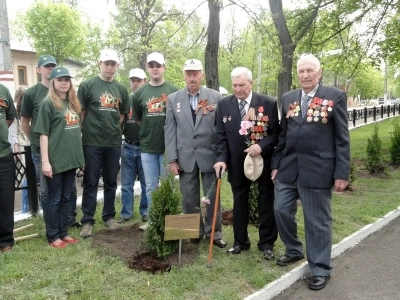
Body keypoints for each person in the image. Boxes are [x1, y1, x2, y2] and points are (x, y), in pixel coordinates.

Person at [271, 54, 350, 291]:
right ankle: (294, 249)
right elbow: (283, 135)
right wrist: (276, 163)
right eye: (301, 71)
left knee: (317, 221)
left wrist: (342, 173)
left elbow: (342, 138)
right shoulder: (288, 98)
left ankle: (320, 268)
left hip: (318, 170)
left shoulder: (335, 96)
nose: (305, 75)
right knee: (281, 210)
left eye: (309, 71)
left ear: (319, 72)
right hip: (289, 167)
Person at [214, 67, 279, 259]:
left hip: (263, 161)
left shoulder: (268, 103)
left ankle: (267, 243)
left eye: (242, 85)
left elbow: (276, 133)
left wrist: (262, 146)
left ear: (251, 83)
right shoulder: (224, 104)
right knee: (239, 202)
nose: (238, 89)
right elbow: (220, 136)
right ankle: (240, 242)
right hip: (236, 162)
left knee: (266, 201)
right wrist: (220, 159)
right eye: (234, 85)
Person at [165, 59, 225, 247]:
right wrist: (172, 159)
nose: (192, 77)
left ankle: (214, 234)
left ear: (202, 75)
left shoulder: (216, 97)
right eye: (188, 74)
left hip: (210, 156)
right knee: (189, 197)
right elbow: (170, 130)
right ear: (184, 75)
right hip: (185, 157)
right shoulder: (173, 99)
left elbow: (222, 130)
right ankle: (193, 232)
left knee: (213, 197)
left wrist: (222, 157)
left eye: (195, 73)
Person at [78, 49, 129, 238]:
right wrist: (86, 132)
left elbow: (122, 114)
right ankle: (87, 221)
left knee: (110, 181)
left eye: (113, 64)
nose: (110, 67)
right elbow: (81, 112)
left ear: (117, 66)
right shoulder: (87, 85)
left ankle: (108, 216)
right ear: (100, 63)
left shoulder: (121, 89)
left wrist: (112, 129)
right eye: (106, 63)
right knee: (90, 181)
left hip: (113, 142)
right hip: (91, 142)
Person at [35, 66, 84, 248]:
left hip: (70, 160)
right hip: (55, 161)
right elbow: (43, 134)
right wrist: (46, 162)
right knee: (54, 199)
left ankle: (63, 232)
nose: (64, 83)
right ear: (53, 82)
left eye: (66, 80)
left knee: (66, 198)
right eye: (60, 80)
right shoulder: (48, 103)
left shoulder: (73, 103)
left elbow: (75, 134)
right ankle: (53, 235)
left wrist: (80, 159)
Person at [132, 52, 179, 230]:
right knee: (151, 185)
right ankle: (153, 220)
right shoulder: (140, 93)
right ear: (147, 68)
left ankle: (169, 220)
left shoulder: (174, 90)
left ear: (164, 67)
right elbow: (138, 118)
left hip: (169, 148)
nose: (155, 69)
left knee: (168, 184)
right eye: (151, 66)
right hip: (148, 146)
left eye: (158, 65)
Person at [21, 54, 57, 209]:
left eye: (53, 66)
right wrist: (35, 139)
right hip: (40, 149)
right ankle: (50, 222)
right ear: (38, 70)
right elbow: (24, 122)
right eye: (47, 66)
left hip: (60, 147)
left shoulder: (63, 89)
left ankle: (68, 219)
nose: (50, 69)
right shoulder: (31, 93)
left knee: (67, 187)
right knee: (45, 188)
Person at [119, 68, 148, 223]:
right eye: (133, 81)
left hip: (145, 146)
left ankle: (145, 211)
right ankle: (126, 213)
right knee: (126, 183)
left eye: (139, 81)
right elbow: (120, 120)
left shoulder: (148, 99)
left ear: (145, 81)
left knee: (146, 183)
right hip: (128, 145)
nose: (136, 84)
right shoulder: (126, 100)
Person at [0, 84, 17, 252]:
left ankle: (5, 242)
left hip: (3, 154)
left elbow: (10, 116)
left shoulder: (3, 90)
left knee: (6, 200)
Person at [14, 88, 30, 213]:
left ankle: (32, 204)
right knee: (26, 175)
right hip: (22, 145)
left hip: (29, 144)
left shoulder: (29, 110)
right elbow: (14, 133)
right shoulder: (15, 114)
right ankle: (26, 207)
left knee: (30, 175)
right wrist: (16, 149)